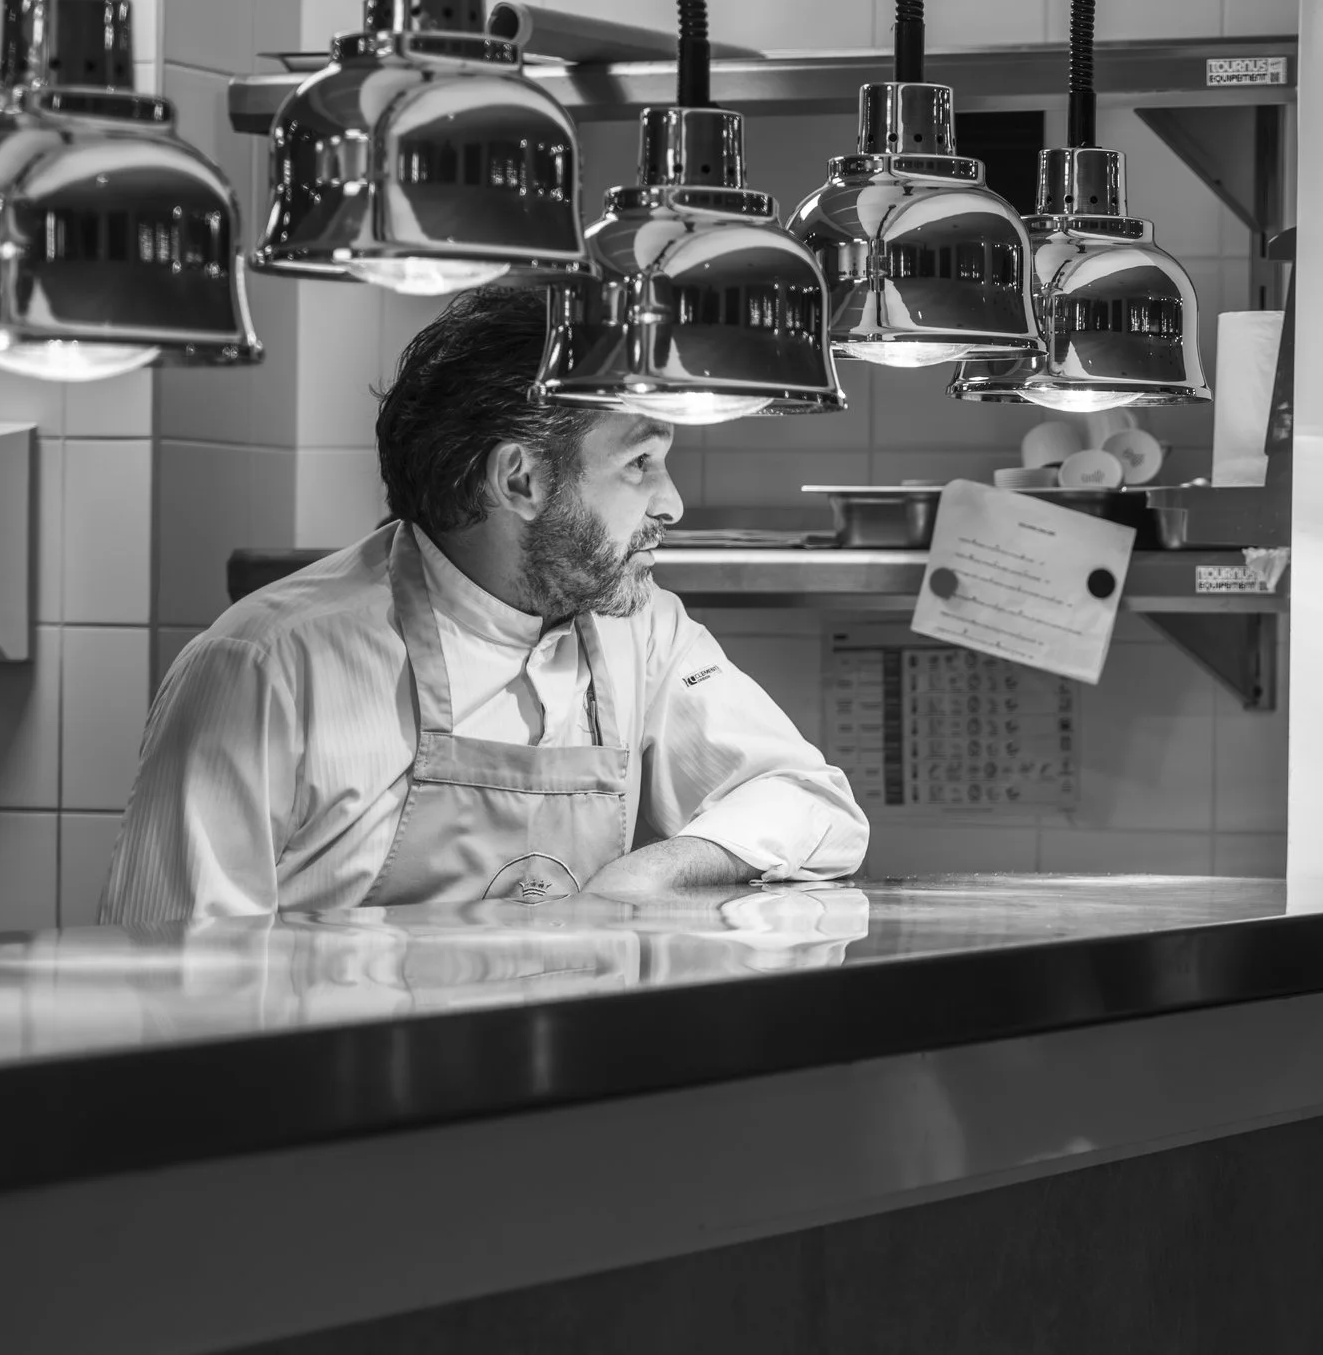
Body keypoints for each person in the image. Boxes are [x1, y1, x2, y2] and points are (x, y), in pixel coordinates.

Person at [101, 284, 867, 922]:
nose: (672, 503)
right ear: (519, 481)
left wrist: (654, 872)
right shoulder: (265, 668)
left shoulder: (640, 631)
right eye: (640, 464)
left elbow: (812, 804)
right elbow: (176, 982)